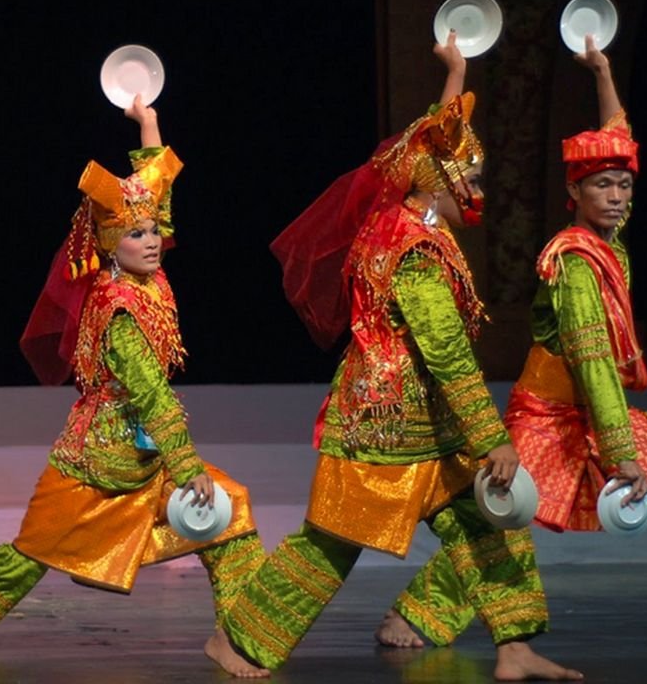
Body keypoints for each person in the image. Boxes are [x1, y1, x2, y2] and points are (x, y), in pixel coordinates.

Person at [375, 35, 647, 647]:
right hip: (550, 414)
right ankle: (413, 615)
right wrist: (625, 456)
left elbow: (620, 137)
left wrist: (603, 74)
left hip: (593, 410)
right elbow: (591, 366)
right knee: (503, 518)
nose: (616, 197)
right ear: (575, 195)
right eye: (603, 187)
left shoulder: (609, 240)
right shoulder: (577, 264)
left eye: (624, 187)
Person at [222, 35, 581, 680]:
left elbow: (432, 140)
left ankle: (516, 647)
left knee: (487, 525)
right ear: (438, 179)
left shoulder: (408, 219)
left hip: (428, 425)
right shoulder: (412, 248)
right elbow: (444, 350)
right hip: (384, 425)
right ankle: (240, 640)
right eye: (469, 175)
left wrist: (457, 73)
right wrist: (492, 434)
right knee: (332, 544)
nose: (476, 184)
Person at [0, 95, 267, 677]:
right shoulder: (119, 305)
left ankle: (235, 638)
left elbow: (156, 188)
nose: (152, 240)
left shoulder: (147, 280)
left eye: (154, 230)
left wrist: (148, 123)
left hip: (141, 460)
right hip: (98, 464)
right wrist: (187, 465)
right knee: (28, 556)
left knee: (232, 518)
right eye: (136, 234)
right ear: (108, 243)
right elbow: (150, 392)